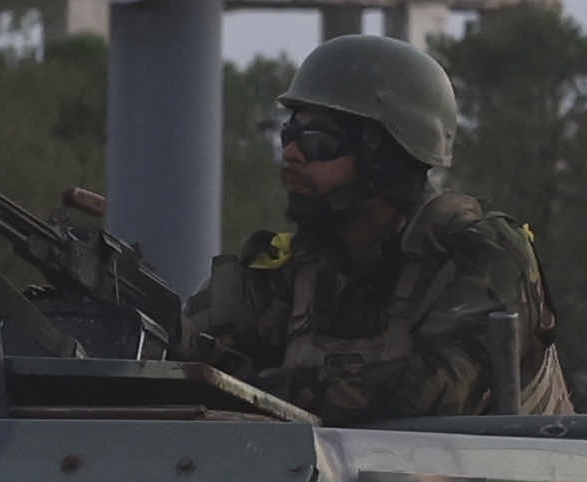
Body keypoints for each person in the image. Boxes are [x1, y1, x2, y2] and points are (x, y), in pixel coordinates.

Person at [185, 32, 566, 423]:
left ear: (384, 155)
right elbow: (179, 364)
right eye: (289, 135)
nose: (291, 154)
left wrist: (250, 391)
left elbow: (439, 391)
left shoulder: (484, 254)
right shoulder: (286, 273)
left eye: (318, 142)